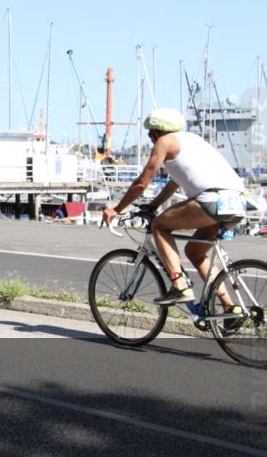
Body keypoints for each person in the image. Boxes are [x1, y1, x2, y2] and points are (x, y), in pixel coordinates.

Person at [102, 108, 246, 313]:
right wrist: (153, 205)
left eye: (150, 134)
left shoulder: (165, 142)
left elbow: (142, 183)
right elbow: (174, 183)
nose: (151, 139)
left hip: (212, 199)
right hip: (237, 201)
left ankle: (179, 285)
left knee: (159, 225)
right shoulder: (192, 140)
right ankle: (230, 307)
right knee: (195, 253)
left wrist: (116, 209)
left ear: (156, 131)